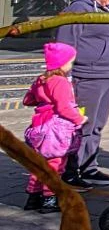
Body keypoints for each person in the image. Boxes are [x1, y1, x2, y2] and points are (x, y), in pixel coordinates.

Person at [54, 0, 109, 188]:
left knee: (97, 125)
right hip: (89, 76)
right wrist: (63, 76)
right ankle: (72, 169)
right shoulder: (79, 9)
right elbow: (65, 43)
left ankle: (88, 167)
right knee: (84, 124)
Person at [22, 42, 84, 213]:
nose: (71, 65)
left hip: (39, 125)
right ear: (62, 63)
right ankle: (49, 198)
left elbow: (28, 100)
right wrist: (79, 119)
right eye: (70, 62)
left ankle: (33, 197)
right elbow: (64, 107)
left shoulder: (42, 79)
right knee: (56, 163)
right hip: (55, 127)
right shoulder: (60, 81)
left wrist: (42, 99)